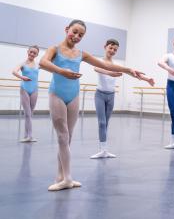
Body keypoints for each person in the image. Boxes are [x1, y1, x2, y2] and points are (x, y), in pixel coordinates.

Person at [40, 19, 154, 191]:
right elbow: (43, 63)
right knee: (62, 137)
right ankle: (68, 179)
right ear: (66, 29)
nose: (77, 36)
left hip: (73, 96)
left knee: (67, 138)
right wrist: (62, 71)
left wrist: (129, 70)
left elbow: (105, 64)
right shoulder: (54, 49)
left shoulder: (81, 54)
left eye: (81, 35)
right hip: (56, 94)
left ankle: (60, 175)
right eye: (75, 32)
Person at [12, 45, 40, 142]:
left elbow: (50, 66)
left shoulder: (38, 64)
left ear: (37, 55)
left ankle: (26, 135)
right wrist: (22, 77)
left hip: (35, 89)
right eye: (31, 52)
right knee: (27, 113)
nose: (32, 54)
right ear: (28, 51)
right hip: (24, 89)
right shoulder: (22, 64)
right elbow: (14, 71)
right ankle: (30, 136)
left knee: (29, 114)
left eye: (34, 53)